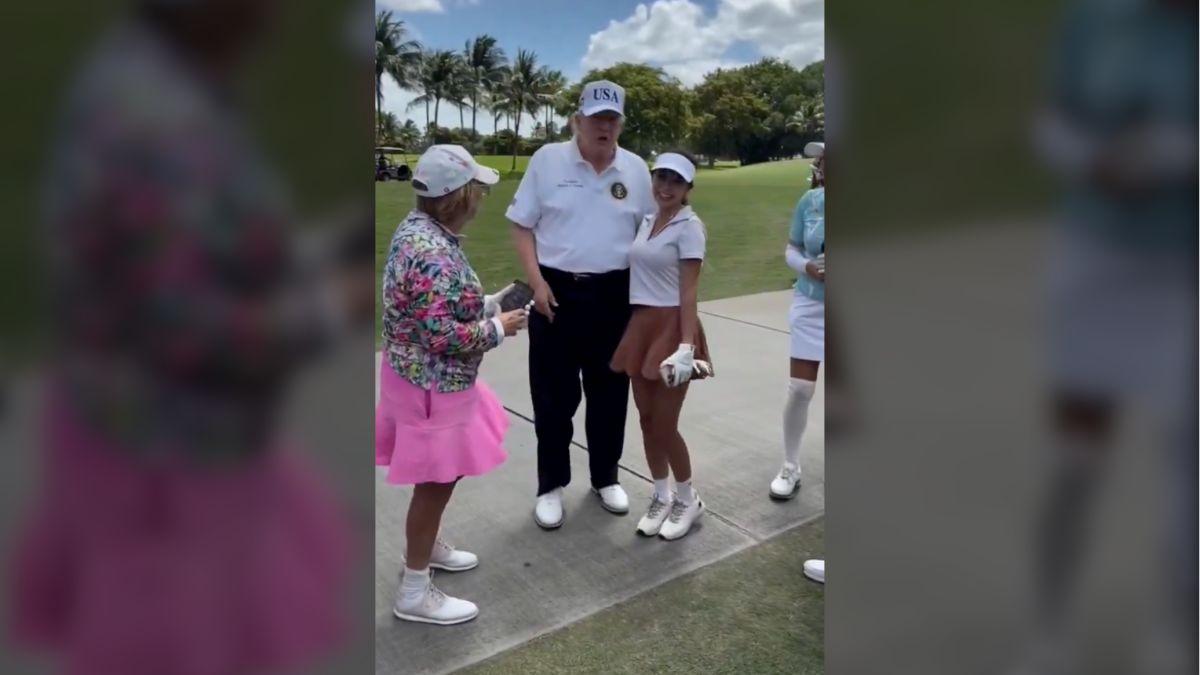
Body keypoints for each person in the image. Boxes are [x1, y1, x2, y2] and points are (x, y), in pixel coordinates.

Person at [377, 145, 530, 625]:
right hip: (431, 385)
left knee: (441, 479)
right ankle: (415, 589)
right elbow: (443, 335)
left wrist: (487, 303)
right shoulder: (433, 252)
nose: (481, 198)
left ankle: (426, 549)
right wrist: (500, 327)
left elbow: (436, 309)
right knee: (435, 482)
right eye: (476, 190)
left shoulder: (419, 231)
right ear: (457, 196)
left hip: (423, 380)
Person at [507, 80, 655, 529]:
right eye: (595, 118)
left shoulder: (635, 170)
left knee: (610, 393)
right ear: (577, 120)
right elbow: (520, 225)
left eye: (612, 119)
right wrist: (536, 284)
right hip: (555, 292)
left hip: (615, 294)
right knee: (554, 397)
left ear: (620, 124)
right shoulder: (548, 161)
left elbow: (649, 235)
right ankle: (551, 485)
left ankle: (605, 477)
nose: (603, 127)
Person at [610, 151, 714, 541]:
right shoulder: (649, 220)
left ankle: (688, 499)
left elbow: (689, 292)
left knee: (666, 424)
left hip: (673, 327)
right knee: (647, 420)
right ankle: (660, 494)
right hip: (642, 326)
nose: (666, 187)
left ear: (688, 188)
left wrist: (687, 346)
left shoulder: (690, 227)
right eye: (661, 178)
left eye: (676, 181)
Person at [771, 142, 825, 501]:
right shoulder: (810, 202)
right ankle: (790, 466)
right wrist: (806, 266)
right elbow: (791, 248)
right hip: (810, 302)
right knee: (801, 389)